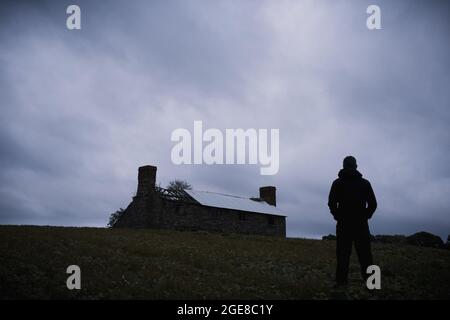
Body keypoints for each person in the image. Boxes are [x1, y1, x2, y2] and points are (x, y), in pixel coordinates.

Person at [328, 156, 377, 287]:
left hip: (343, 225)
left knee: (343, 256)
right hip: (361, 225)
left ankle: (341, 284)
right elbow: (373, 204)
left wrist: (337, 216)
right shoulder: (365, 183)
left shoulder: (337, 183)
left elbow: (331, 203)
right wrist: (365, 216)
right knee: (366, 255)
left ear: (343, 166)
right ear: (356, 166)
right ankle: (372, 285)